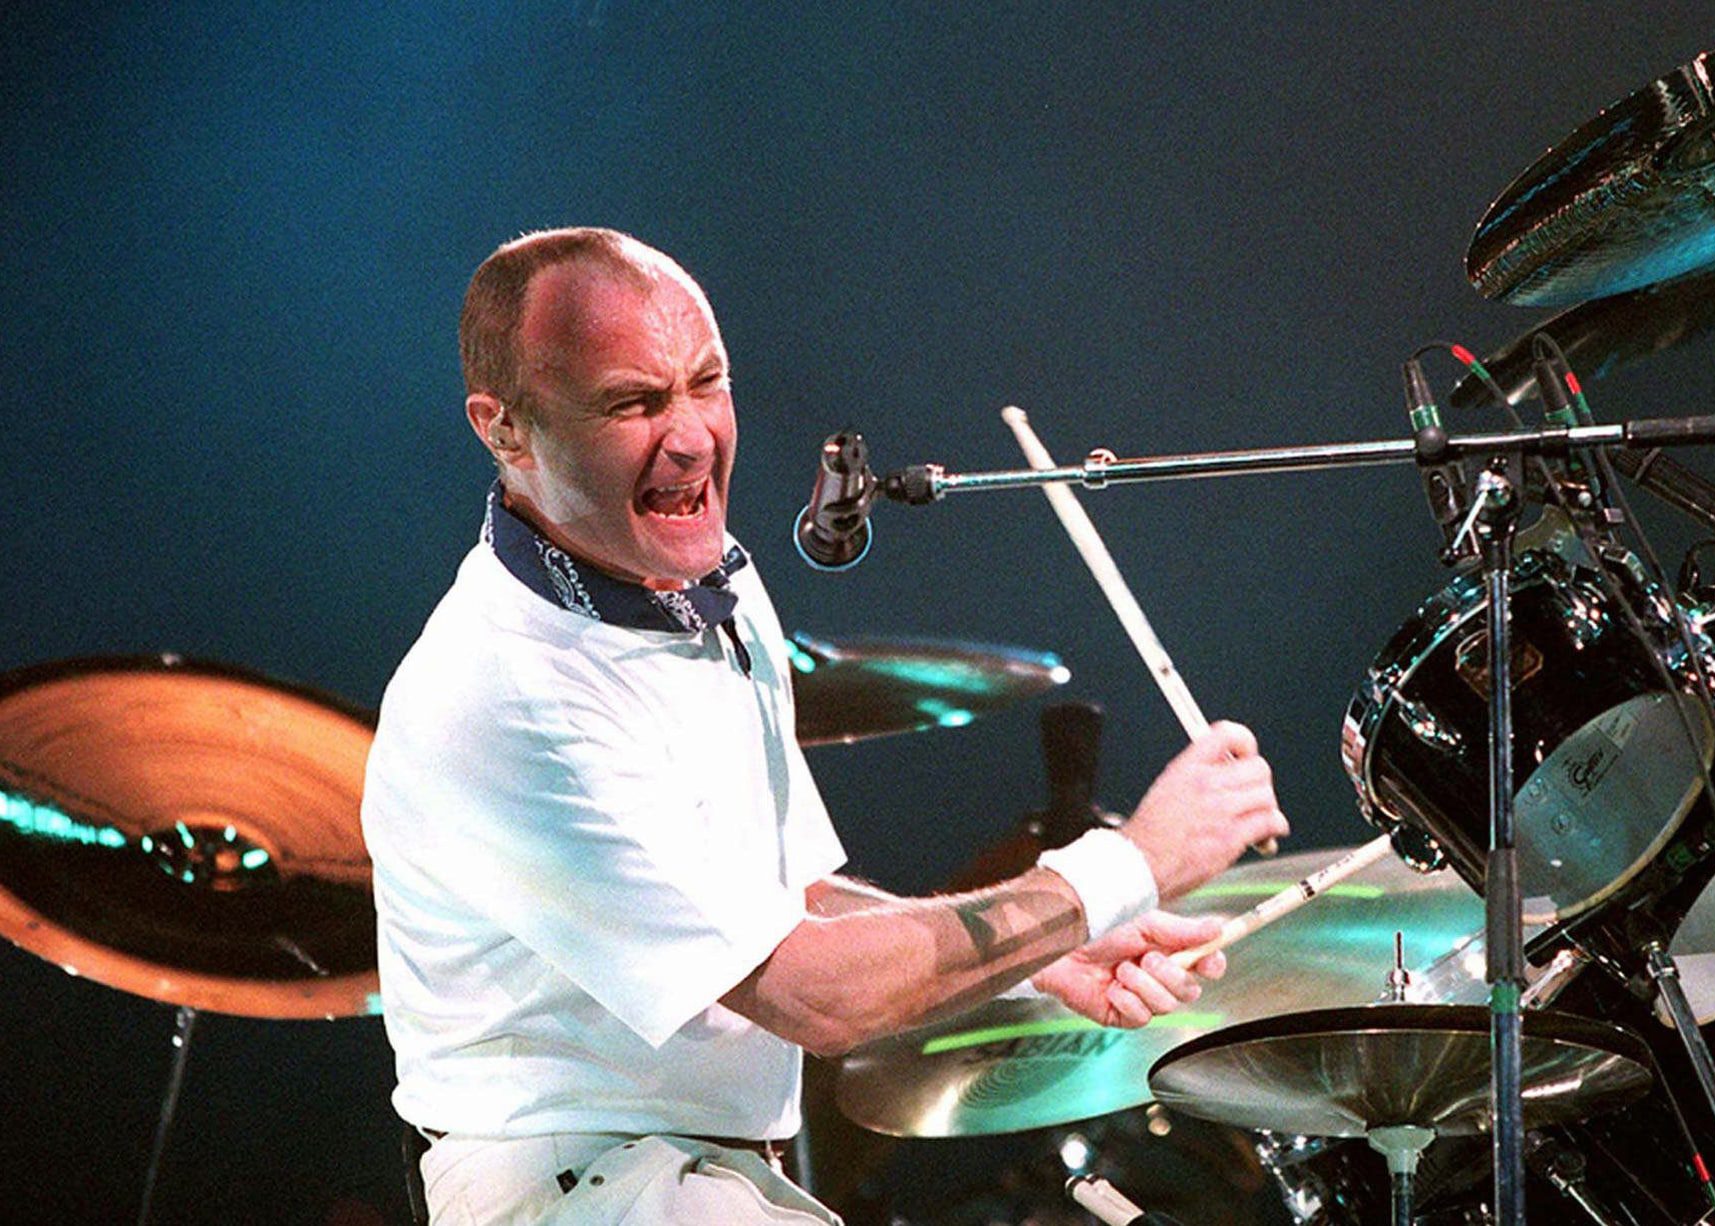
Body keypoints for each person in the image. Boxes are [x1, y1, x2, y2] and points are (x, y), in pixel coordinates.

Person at [361, 226, 1289, 1225]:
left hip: (691, 1173)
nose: (691, 437)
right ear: (504, 429)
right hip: (574, 1184)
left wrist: (1038, 943)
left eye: (706, 383)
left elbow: (785, 898)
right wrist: (1126, 866)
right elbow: (814, 994)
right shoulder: (505, 694)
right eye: (632, 401)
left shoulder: (709, 583)